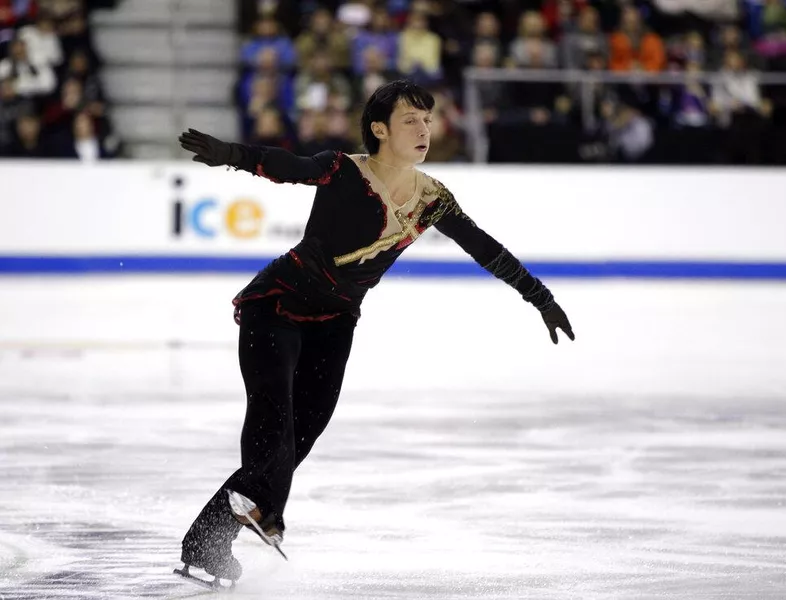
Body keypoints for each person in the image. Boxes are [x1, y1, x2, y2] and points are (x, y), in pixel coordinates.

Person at [175, 80, 575, 586]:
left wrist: (538, 296)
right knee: (274, 417)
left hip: (337, 322)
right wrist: (231, 154)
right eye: (411, 120)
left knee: (305, 430)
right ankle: (252, 516)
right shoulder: (344, 169)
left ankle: (216, 535)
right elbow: (287, 166)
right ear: (380, 129)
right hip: (276, 305)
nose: (424, 129)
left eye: (428, 120)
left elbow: (484, 247)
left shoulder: (432, 198)